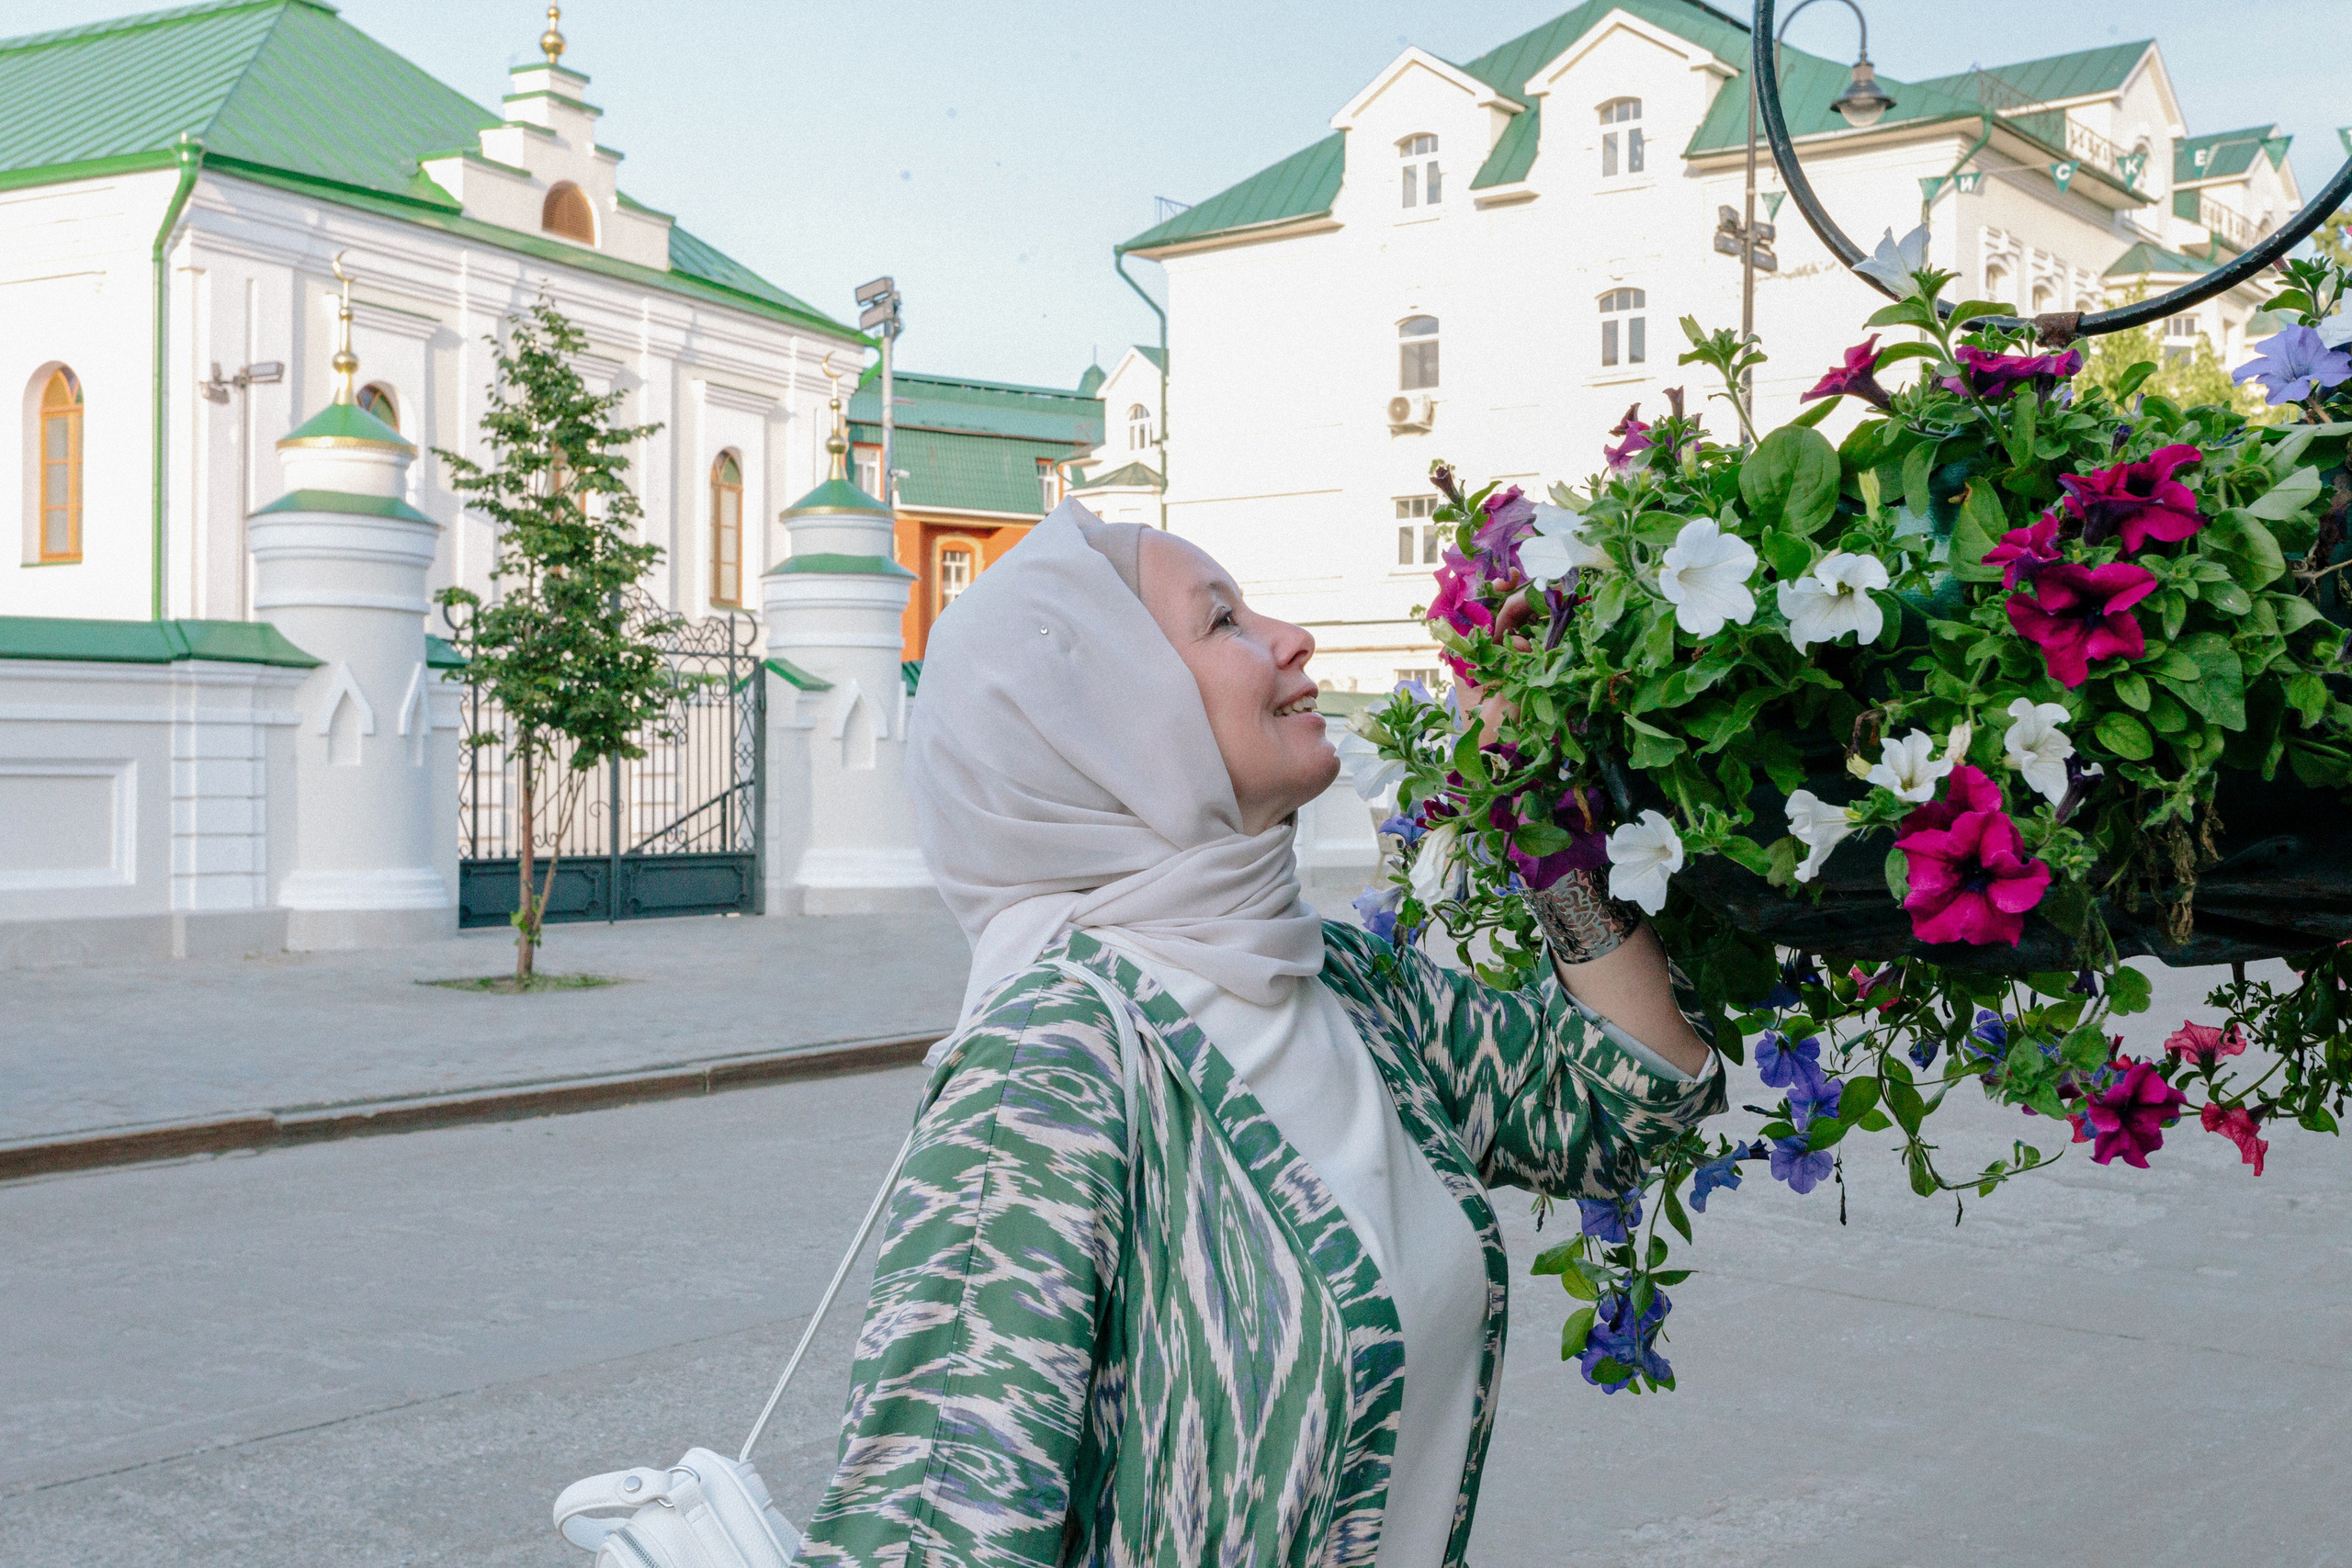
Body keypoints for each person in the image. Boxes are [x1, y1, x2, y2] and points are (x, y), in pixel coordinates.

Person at [791, 502, 1724, 1568]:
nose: (1292, 638)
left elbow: (1622, 1098)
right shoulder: (1049, 1069)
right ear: (1111, 713)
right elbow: (931, 1535)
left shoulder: (1339, 978)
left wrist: (1540, 821)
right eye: (1223, 620)